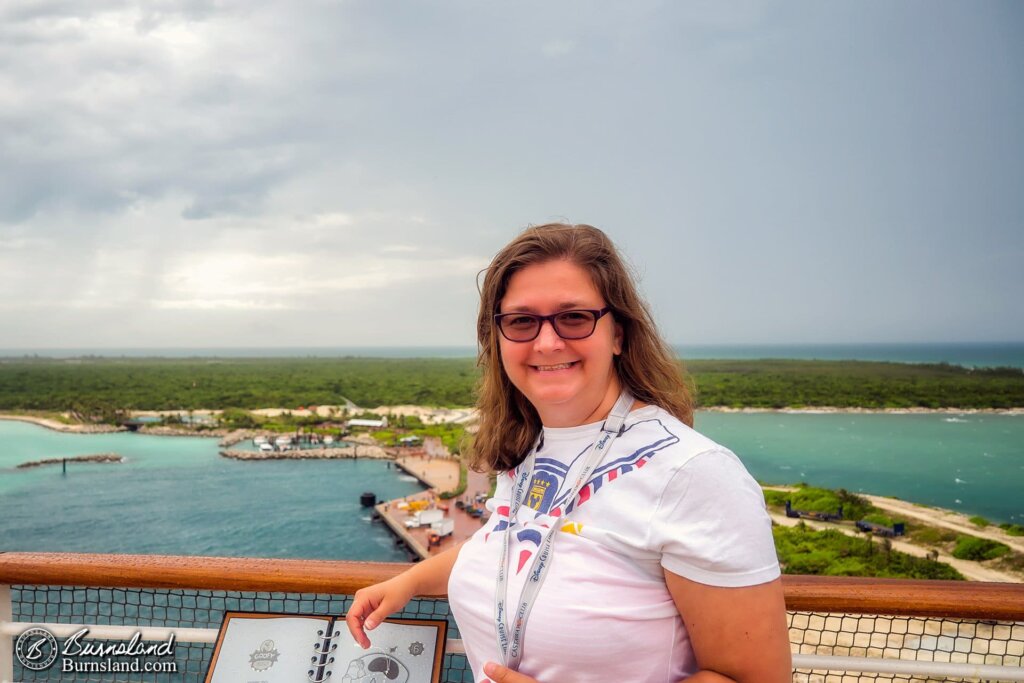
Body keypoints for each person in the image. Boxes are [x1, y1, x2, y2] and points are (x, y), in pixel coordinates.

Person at [347, 224, 791, 682]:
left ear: (618, 333)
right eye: (521, 321)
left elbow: (757, 679)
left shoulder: (692, 473)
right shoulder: (527, 447)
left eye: (574, 317)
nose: (547, 342)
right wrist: (409, 582)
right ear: (497, 341)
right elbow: (512, 542)